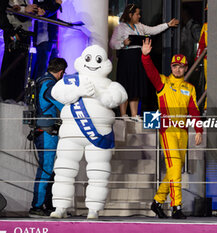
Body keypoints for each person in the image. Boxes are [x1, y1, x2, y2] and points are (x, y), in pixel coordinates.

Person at [49, 45, 127, 219]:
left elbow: (117, 97)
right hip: (70, 134)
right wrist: (77, 92)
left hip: (99, 135)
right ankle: (60, 206)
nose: (92, 63)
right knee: (63, 170)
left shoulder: (111, 84)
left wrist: (100, 95)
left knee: (98, 173)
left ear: (106, 62)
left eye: (98, 59)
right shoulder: (70, 81)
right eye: (88, 59)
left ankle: (94, 209)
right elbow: (56, 93)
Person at [141, 38, 203, 219]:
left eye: (181, 66)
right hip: (167, 131)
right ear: (171, 68)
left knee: (173, 171)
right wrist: (145, 56)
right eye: (174, 66)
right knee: (175, 168)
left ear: (185, 68)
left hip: (183, 132)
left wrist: (198, 130)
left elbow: (194, 110)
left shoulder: (189, 88)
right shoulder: (162, 83)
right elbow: (151, 72)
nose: (177, 69)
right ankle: (176, 207)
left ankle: (157, 201)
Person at [109, 3, 179, 122]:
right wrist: (123, 43)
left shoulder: (139, 26)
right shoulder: (121, 27)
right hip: (126, 59)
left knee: (135, 86)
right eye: (137, 14)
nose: (139, 16)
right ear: (130, 15)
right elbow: (112, 43)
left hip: (138, 58)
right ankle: (123, 114)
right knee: (125, 86)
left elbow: (153, 30)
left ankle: (135, 114)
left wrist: (167, 25)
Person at [29, 57, 67, 218]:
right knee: (46, 169)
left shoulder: (41, 79)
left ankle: (47, 205)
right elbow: (61, 104)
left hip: (42, 130)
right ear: (61, 72)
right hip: (46, 132)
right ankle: (36, 207)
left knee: (48, 169)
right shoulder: (50, 84)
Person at [0, 0, 40, 101]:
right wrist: (10, 31)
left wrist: (33, 10)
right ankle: (5, 97)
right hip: (13, 31)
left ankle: (17, 99)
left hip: (25, 32)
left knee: (21, 67)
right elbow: (4, 11)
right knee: (10, 64)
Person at [31, 0, 62, 80]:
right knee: (42, 70)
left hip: (51, 38)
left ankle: (47, 90)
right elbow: (43, 11)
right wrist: (56, 4)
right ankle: (39, 91)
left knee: (53, 70)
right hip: (43, 38)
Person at [195, 4, 207, 113]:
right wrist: (197, 61)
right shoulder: (205, 26)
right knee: (209, 82)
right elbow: (201, 44)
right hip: (208, 58)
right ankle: (207, 107)